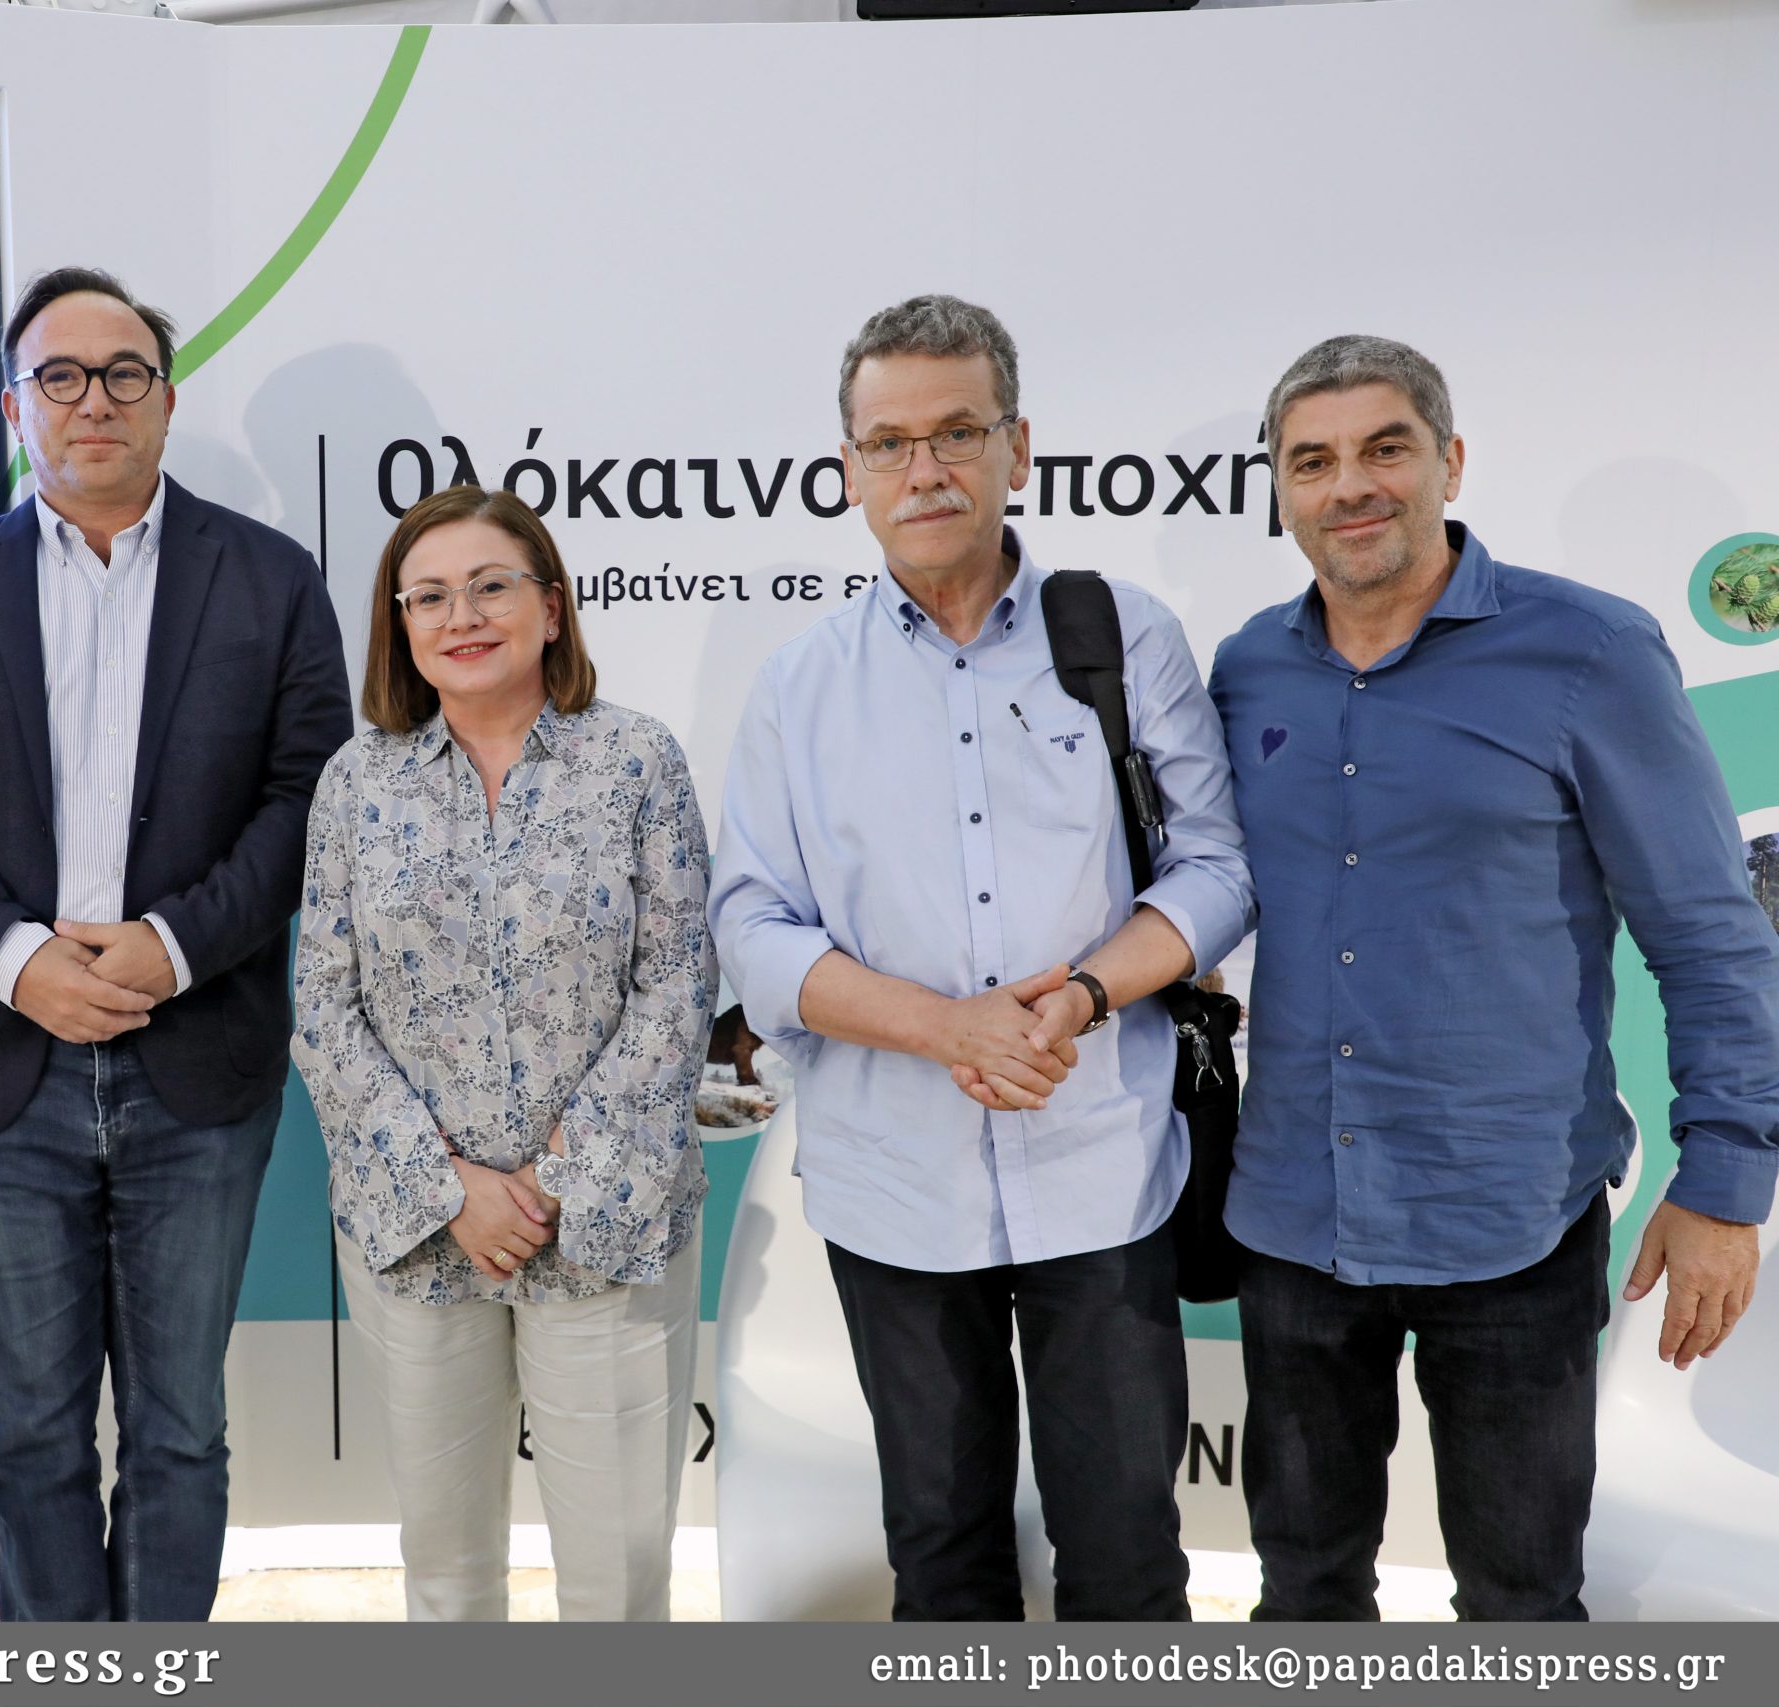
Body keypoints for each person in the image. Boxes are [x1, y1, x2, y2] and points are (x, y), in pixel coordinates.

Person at [1208, 335, 1779, 1622]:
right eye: (1311, 461)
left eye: (1384, 449)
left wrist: (1725, 1179)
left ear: (1449, 462)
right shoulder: (1247, 668)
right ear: (1282, 491)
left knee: (1519, 1609)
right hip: (1295, 1212)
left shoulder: (1588, 653)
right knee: (1301, 1595)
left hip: (1510, 1217)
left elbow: (1707, 933)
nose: (1350, 486)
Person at [708, 295, 1254, 1621]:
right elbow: (754, 927)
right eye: (889, 443)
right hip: (894, 1186)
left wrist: (1081, 995)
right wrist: (944, 1028)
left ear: (1018, 445)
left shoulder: (1121, 636)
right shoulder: (800, 684)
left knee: (1127, 1564)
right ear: (849, 469)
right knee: (943, 1561)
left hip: (1102, 1168)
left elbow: (1217, 870)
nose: (926, 469)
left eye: (957, 432)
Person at [0, 266, 350, 1622]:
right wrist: (21, 958)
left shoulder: (269, 580)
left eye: (125, 373)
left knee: (181, 1432)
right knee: (27, 1437)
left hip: (199, 1061)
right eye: (59, 376)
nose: (94, 400)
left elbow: (313, 796)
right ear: (16, 406)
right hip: (2, 1069)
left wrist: (172, 945)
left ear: (167, 401)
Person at [292, 483, 715, 1621]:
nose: (461, 616)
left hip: (604, 1225)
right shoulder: (356, 784)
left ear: (551, 607)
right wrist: (453, 1191)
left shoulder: (636, 761)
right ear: (400, 625)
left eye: (490, 587)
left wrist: (552, 1186)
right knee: (446, 1575)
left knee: (617, 1584)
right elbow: (323, 1007)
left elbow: (678, 987)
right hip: (419, 1233)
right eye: (428, 596)